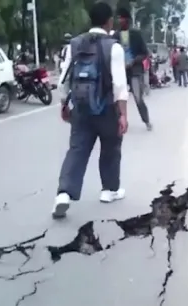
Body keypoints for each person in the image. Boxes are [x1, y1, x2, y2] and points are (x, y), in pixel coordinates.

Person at [53, 2, 129, 219]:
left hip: (81, 108)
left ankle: (64, 194)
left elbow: (64, 80)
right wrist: (123, 114)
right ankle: (109, 190)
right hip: (106, 109)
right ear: (109, 21)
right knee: (111, 148)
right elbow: (120, 86)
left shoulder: (74, 44)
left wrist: (64, 104)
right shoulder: (113, 47)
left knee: (77, 150)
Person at [112, 7, 153, 131]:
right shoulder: (115, 35)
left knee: (138, 98)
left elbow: (144, 53)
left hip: (135, 71)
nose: (119, 20)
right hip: (120, 71)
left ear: (127, 20)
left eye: (122, 18)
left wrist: (133, 61)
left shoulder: (136, 34)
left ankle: (147, 121)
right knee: (117, 98)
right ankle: (120, 121)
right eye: (118, 18)